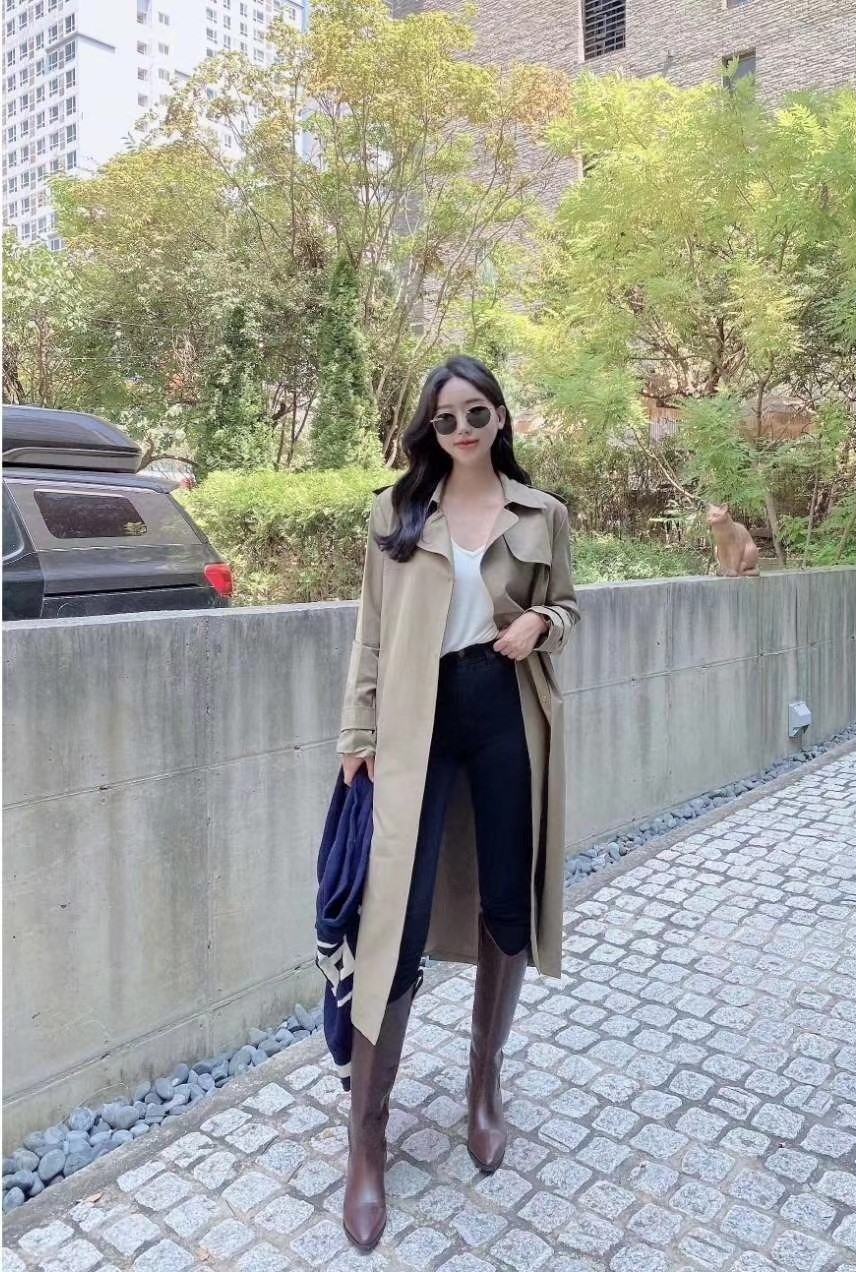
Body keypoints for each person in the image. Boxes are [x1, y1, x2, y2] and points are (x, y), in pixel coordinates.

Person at [336, 355, 581, 1251]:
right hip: (416, 719)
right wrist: (355, 732)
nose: (463, 429)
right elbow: (370, 630)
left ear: (500, 416)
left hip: (506, 712)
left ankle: (484, 1083)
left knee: (507, 905)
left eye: (477, 413)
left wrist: (541, 622)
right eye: (446, 418)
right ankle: (368, 1136)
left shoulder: (542, 513)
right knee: (392, 921)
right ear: (429, 429)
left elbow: (570, 608)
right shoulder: (397, 511)